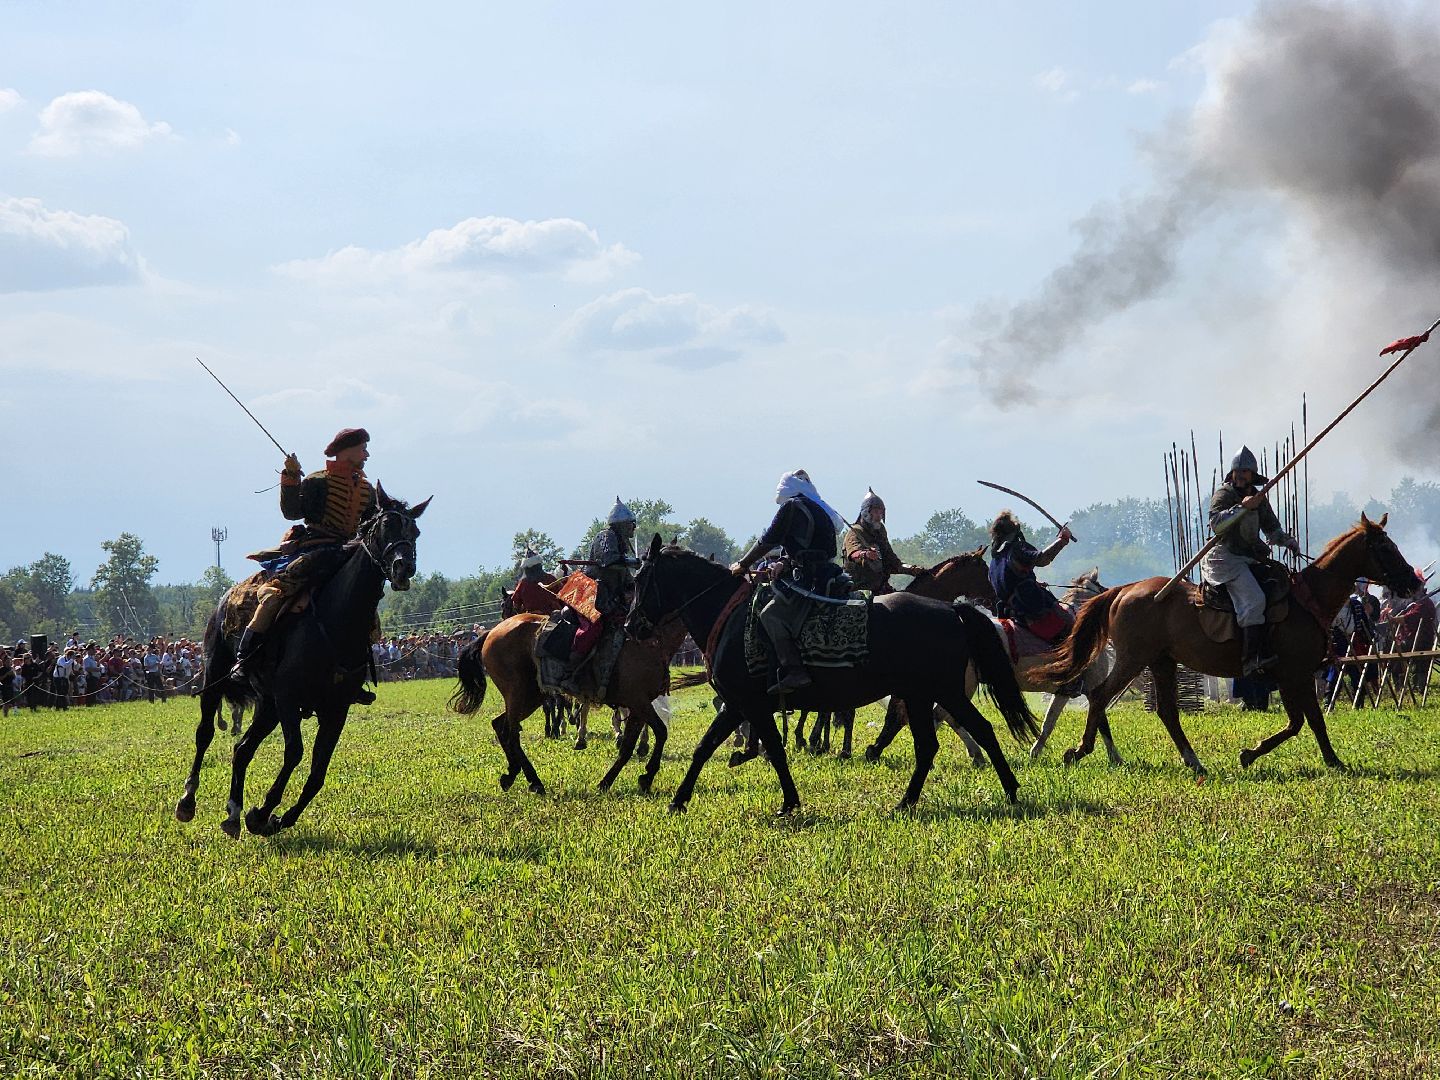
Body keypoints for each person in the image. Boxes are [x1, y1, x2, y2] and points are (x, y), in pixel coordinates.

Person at [233, 427, 376, 682]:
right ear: (347, 451)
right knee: (275, 596)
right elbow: (291, 511)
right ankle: (245, 659)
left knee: (366, 610)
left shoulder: (367, 488)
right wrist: (290, 477)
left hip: (349, 552)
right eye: (362, 448)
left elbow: (369, 524)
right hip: (316, 548)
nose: (366, 454)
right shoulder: (317, 481)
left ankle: (353, 674)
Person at [730, 469, 847, 694]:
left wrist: (743, 564)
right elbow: (809, 545)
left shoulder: (792, 507)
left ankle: (795, 671)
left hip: (809, 578)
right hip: (826, 572)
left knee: (770, 615)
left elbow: (766, 541)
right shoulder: (817, 508)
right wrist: (785, 560)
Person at [1200, 446, 1301, 676]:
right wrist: (1242, 508)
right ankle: (1250, 659)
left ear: (1252, 475)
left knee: (1278, 585)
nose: (1242, 475)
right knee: (1254, 600)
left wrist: (1288, 541)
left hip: (1250, 557)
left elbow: (1272, 529)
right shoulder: (1224, 495)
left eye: (1246, 471)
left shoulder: (1259, 497)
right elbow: (1217, 525)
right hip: (1226, 558)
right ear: (1233, 473)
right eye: (1238, 471)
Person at [987, 510, 1076, 644]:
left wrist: (1032, 583)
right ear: (1015, 532)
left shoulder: (994, 562)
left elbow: (1010, 583)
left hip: (1010, 612)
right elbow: (1042, 559)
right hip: (1031, 609)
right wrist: (1062, 539)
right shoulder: (1017, 548)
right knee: (1073, 628)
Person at [842, 488, 926, 595]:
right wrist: (865, 554)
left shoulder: (880, 531)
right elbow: (854, 554)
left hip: (880, 587)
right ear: (866, 512)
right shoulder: (855, 532)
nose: (879, 516)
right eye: (876, 512)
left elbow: (891, 559)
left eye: (881, 512)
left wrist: (911, 570)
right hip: (858, 588)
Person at [511, 549, 558, 614]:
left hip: (531, 615)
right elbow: (563, 596)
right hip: (553, 615)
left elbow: (516, 604)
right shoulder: (550, 578)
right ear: (539, 566)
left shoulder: (523, 583)